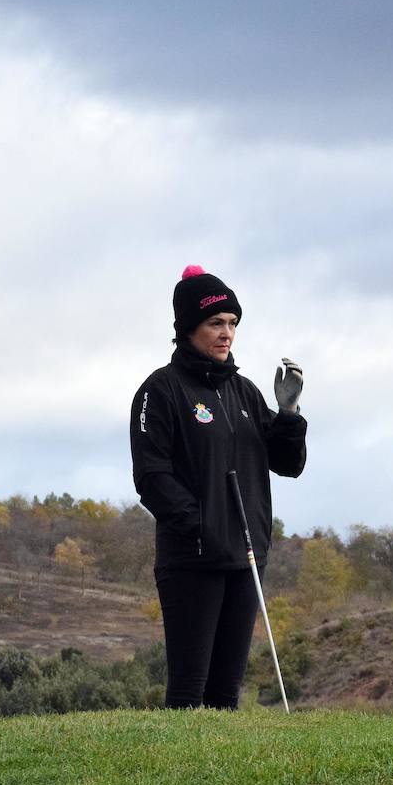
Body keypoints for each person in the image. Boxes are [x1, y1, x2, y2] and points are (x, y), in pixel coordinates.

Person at [130, 265, 307, 709]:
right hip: (192, 558)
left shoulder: (245, 393)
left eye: (232, 324)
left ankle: (216, 777)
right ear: (189, 328)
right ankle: (175, 776)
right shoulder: (161, 390)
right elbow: (151, 477)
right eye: (216, 323)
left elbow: (289, 464)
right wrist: (200, 525)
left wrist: (288, 415)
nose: (227, 333)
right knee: (190, 692)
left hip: (246, 558)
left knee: (225, 693)